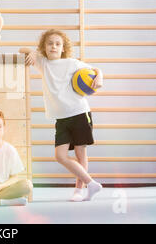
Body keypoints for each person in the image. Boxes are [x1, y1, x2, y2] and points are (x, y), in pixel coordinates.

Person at [20, 29, 104, 202]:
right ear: (44, 46)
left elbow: (95, 69)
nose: (54, 46)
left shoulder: (71, 63)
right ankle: (92, 183)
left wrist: (100, 77)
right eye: (50, 43)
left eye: (58, 44)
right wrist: (33, 52)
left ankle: (79, 190)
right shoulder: (42, 63)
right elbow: (22, 49)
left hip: (79, 112)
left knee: (81, 154)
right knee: (60, 156)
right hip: (62, 118)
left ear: (63, 48)